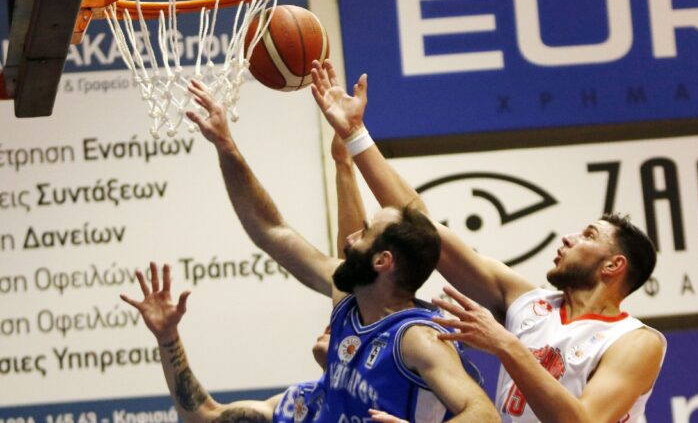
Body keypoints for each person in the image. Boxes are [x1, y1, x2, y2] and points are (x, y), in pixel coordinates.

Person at [310, 58, 667, 423]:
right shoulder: (528, 304)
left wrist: (505, 343)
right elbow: (423, 229)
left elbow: (583, 421)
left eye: (588, 235)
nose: (569, 237)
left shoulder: (634, 340)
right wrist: (356, 134)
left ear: (614, 264)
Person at [183, 80, 500, 423]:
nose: (350, 238)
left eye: (365, 233)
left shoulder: (416, 338)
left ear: (382, 261)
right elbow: (270, 230)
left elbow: (485, 415)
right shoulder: (349, 302)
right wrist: (227, 147)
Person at [121, 262, 328, 423]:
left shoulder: (350, 399)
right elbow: (206, 415)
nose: (329, 327)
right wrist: (168, 338)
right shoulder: (298, 402)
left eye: (342, 324)